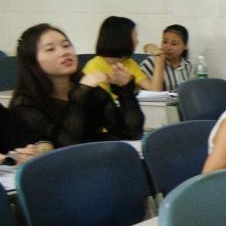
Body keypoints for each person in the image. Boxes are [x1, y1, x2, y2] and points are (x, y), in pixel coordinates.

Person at [10, 23, 144, 146]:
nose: (64, 52)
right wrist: (80, 96)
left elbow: (132, 133)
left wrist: (125, 91)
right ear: (32, 61)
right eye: (50, 49)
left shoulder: (90, 91)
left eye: (66, 45)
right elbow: (65, 146)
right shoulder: (24, 105)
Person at [82, 15, 165, 95]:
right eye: (135, 36)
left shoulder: (129, 63)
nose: (137, 41)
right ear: (123, 38)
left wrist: (159, 57)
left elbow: (155, 91)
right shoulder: (94, 66)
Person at [141, 24, 193, 92]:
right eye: (165, 42)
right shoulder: (150, 63)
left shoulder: (188, 66)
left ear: (185, 46)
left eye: (174, 44)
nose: (168, 48)